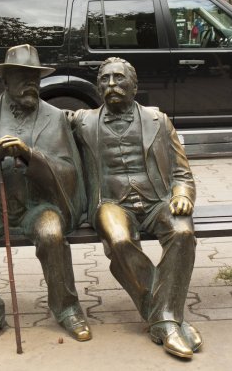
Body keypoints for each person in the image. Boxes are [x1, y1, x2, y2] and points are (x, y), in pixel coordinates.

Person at [0, 44, 91, 349]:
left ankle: (66, 307)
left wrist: (31, 157)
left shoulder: (54, 118)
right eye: (23, 78)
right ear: (6, 81)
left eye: (35, 78)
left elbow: (68, 171)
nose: (32, 84)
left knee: (52, 233)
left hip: (37, 205)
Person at [70, 57, 202, 359]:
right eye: (105, 79)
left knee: (182, 233)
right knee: (119, 240)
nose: (112, 85)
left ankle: (163, 321)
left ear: (135, 85)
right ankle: (168, 320)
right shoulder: (83, 120)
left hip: (157, 199)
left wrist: (182, 194)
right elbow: (44, 120)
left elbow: (182, 172)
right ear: (97, 86)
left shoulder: (159, 120)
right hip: (111, 202)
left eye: (119, 78)